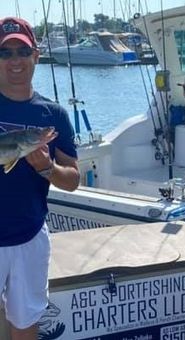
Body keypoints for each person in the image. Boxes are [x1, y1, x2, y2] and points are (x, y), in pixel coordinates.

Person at [0, 17, 80, 340]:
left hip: (30, 237)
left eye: (23, 51)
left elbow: (73, 179)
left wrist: (46, 168)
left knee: (25, 325)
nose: (15, 61)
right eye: (5, 53)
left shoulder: (54, 115)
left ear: (36, 55)